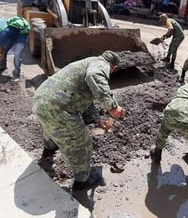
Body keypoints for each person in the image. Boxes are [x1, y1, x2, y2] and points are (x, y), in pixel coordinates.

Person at [32, 51, 126, 190]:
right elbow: (94, 76)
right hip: (60, 108)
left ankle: (48, 152)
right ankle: (82, 180)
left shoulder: (88, 61)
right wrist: (112, 106)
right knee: (82, 143)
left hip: (41, 101)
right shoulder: (101, 65)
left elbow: (86, 98)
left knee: (51, 127)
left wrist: (97, 120)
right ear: (114, 67)